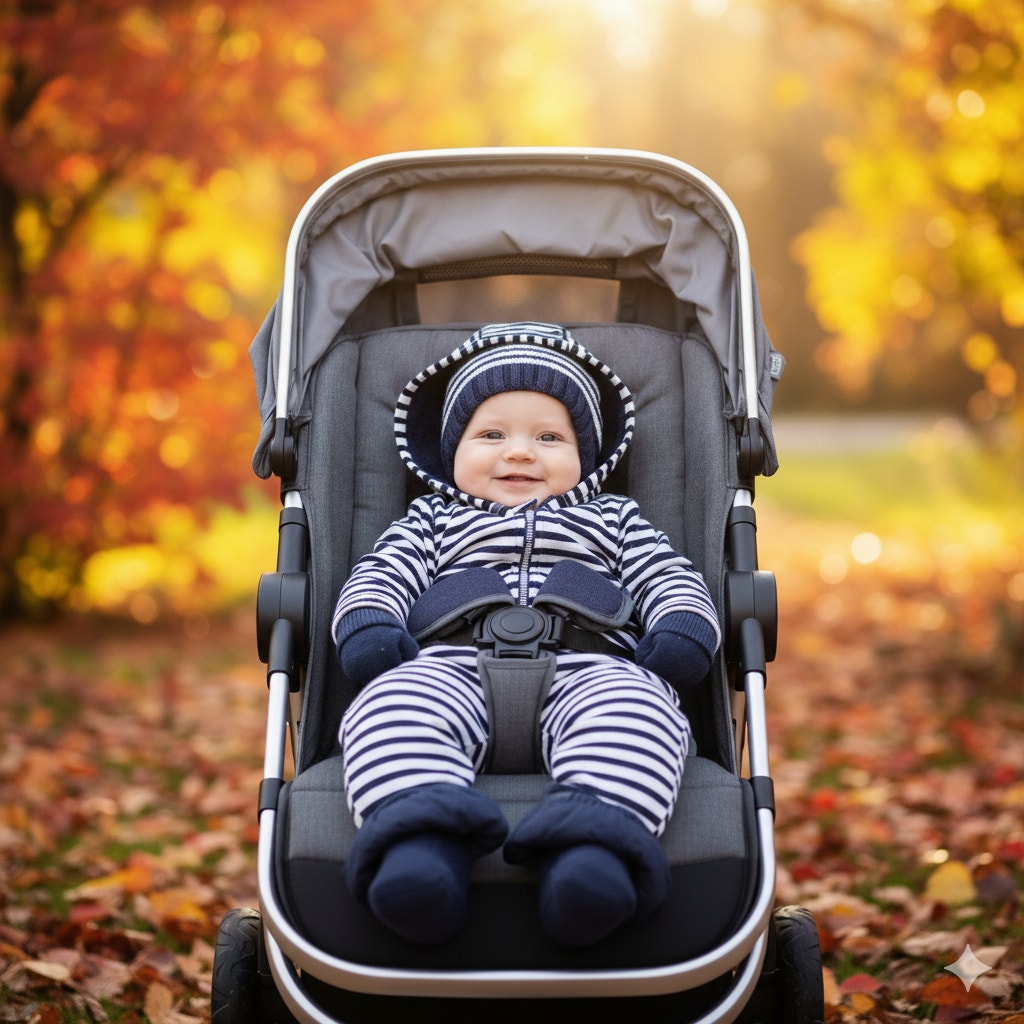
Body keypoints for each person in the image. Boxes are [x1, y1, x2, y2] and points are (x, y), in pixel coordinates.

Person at [332, 322, 721, 947]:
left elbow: (668, 575)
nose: (518, 452)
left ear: (587, 458)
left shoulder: (615, 519)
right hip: (449, 669)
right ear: (451, 452)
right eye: (491, 435)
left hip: (590, 672)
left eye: (549, 437)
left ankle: (592, 856)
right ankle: (420, 847)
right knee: (389, 707)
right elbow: (380, 573)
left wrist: (683, 627)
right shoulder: (430, 521)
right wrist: (370, 623)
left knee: (641, 710)